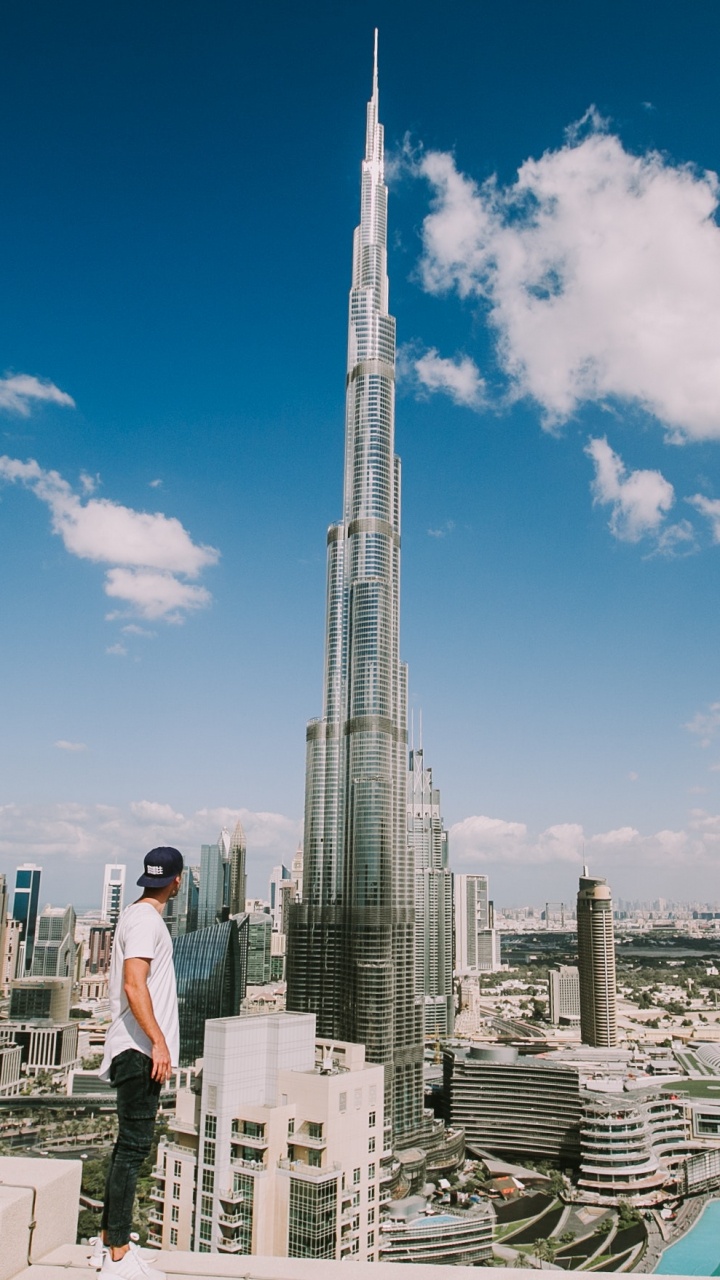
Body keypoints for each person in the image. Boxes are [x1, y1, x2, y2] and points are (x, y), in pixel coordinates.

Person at [93, 847, 183, 1279]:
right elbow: (134, 985)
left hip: (132, 1047)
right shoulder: (148, 921)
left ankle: (110, 1242)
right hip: (138, 1051)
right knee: (133, 1149)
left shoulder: (133, 914)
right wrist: (158, 1043)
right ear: (177, 882)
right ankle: (118, 1256)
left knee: (125, 1148)